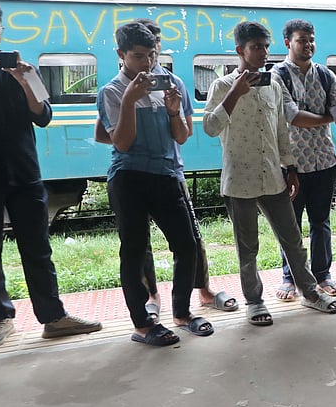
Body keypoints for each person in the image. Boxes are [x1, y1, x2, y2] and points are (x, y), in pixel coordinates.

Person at [0, 0, 101, 351]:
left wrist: (26, 81)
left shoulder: (22, 69)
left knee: (37, 248)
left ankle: (53, 318)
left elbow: (44, 116)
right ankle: (1, 319)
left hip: (25, 173)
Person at [201, 21, 336, 326]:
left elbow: (281, 131)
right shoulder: (222, 86)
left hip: (273, 176)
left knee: (292, 240)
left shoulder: (273, 85)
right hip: (239, 180)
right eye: (256, 47)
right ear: (240, 50)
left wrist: (291, 168)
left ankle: (310, 292)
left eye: (266, 47)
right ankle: (254, 301)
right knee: (248, 247)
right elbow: (210, 127)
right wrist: (234, 94)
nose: (264, 53)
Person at [94, 18, 237, 319]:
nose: (147, 62)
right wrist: (130, 101)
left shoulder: (172, 83)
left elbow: (182, 136)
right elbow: (122, 143)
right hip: (129, 176)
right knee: (134, 250)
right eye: (138, 56)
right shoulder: (112, 91)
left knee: (186, 246)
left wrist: (173, 112)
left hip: (167, 174)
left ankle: (182, 313)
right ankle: (143, 322)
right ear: (121, 55)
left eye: (151, 55)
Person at [273, 19, 336, 300]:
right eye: (302, 40)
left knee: (321, 222)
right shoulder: (277, 76)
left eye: (311, 39)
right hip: (291, 164)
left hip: (324, 161)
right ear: (288, 43)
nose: (308, 45)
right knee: (290, 225)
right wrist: (328, 117)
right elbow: (293, 116)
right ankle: (290, 278)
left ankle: (322, 274)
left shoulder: (326, 76)